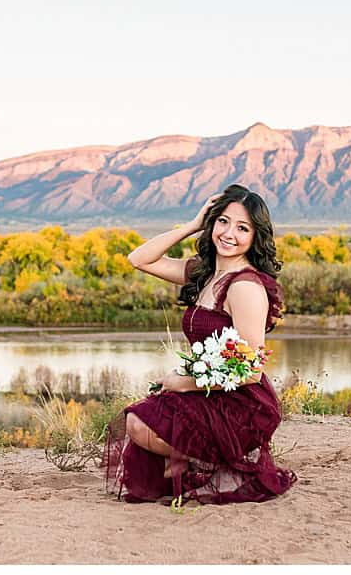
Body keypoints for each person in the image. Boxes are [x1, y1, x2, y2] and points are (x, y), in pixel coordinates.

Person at [104, 184, 297, 505]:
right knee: (137, 421)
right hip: (208, 390)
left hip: (242, 404)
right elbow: (139, 259)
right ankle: (202, 467)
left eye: (242, 227)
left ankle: (214, 465)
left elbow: (250, 370)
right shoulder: (204, 273)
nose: (229, 233)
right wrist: (192, 225)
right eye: (222, 221)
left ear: (256, 235)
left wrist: (183, 383)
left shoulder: (244, 287)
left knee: (140, 424)